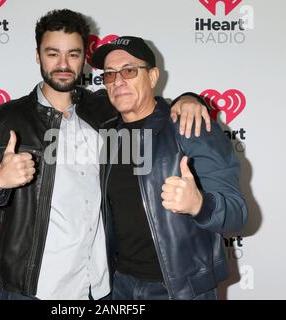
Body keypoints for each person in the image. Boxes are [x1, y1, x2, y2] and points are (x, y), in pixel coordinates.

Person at [0, 10, 210, 300]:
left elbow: (146, 102)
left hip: (101, 288)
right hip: (34, 290)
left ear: (84, 57)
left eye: (72, 54)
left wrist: (190, 100)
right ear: (37, 56)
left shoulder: (104, 111)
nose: (62, 64)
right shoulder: (5, 120)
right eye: (52, 53)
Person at [91, 36, 248, 300]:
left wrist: (200, 205)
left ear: (152, 77)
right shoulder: (107, 132)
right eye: (109, 75)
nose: (118, 81)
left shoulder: (191, 126)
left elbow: (237, 212)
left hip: (180, 289)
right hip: (119, 286)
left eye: (129, 71)